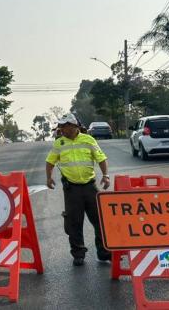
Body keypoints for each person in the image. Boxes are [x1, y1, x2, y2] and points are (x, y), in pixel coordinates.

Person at [45, 113, 112, 266]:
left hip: (90, 186)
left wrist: (106, 176)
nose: (62, 129)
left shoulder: (88, 140)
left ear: (74, 126)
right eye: (61, 127)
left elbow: (101, 158)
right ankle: (78, 254)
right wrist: (49, 178)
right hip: (71, 189)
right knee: (74, 223)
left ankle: (103, 253)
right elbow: (50, 162)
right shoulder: (59, 143)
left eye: (65, 126)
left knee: (100, 220)